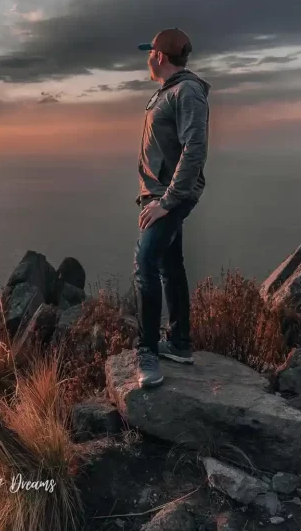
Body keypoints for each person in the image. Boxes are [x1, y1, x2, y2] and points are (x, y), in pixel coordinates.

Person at [133, 28, 211, 388]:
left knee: (146, 263)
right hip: (160, 194)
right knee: (169, 263)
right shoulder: (169, 91)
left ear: (160, 56)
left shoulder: (187, 91)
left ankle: (147, 351)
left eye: (150, 52)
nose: (147, 58)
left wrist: (167, 202)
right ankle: (179, 343)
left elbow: (195, 148)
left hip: (170, 196)